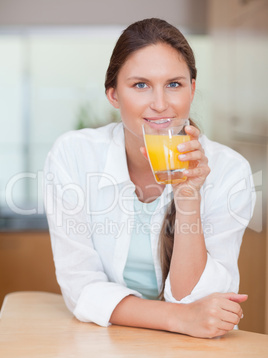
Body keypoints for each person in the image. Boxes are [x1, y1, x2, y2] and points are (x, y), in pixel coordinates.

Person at [43, 18, 255, 338]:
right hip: (109, 345)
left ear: (192, 89)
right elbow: (82, 289)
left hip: (198, 355)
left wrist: (188, 196)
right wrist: (177, 318)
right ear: (113, 95)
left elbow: (196, 300)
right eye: (140, 85)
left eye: (174, 84)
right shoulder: (74, 156)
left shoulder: (230, 172)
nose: (160, 104)